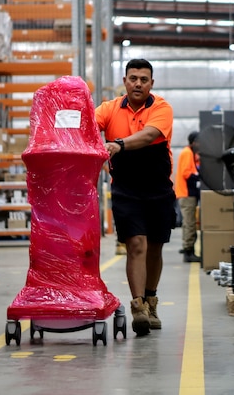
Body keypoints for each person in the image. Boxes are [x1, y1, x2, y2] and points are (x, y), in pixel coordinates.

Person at [95, 59, 175, 336]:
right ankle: (139, 307)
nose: (138, 83)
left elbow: (149, 135)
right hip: (126, 189)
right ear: (125, 81)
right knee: (136, 245)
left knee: (155, 247)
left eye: (143, 79)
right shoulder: (109, 108)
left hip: (158, 188)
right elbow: (88, 124)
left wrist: (117, 144)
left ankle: (152, 301)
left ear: (152, 83)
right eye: (133, 78)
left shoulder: (161, 108)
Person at [175, 131, 201, 263]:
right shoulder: (187, 153)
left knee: (189, 223)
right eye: (199, 142)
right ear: (193, 142)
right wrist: (199, 178)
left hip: (189, 194)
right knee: (189, 223)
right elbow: (187, 173)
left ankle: (188, 248)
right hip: (186, 193)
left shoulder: (192, 154)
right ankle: (188, 251)